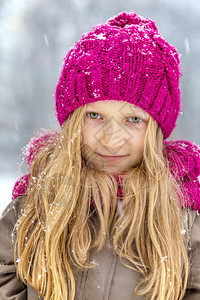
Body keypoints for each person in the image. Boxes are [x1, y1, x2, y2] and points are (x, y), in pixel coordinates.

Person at [0, 10, 200, 300]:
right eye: (95, 115)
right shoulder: (37, 200)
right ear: (71, 122)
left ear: (156, 127)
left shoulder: (183, 214)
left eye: (133, 119)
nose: (112, 137)